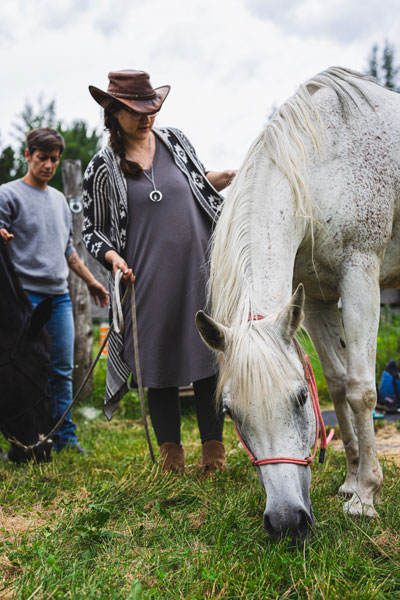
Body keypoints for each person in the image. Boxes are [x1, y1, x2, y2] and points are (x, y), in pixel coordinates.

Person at [83, 69, 236, 473]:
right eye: (135, 110)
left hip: (197, 272)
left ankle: (214, 454)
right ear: (113, 112)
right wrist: (113, 258)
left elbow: (196, 187)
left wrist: (225, 178)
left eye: (151, 107)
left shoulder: (176, 142)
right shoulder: (103, 166)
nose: (146, 117)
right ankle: (171, 459)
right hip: (145, 280)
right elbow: (92, 232)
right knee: (159, 365)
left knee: (207, 361)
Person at [0, 127, 109, 453]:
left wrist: (91, 280)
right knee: (14, 369)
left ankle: (63, 438)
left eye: (54, 160)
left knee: (62, 370)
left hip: (57, 297)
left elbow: (68, 251)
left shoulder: (59, 200)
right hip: (21, 300)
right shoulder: (8, 194)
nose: (49, 165)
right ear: (27, 155)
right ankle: (14, 435)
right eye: (42, 158)